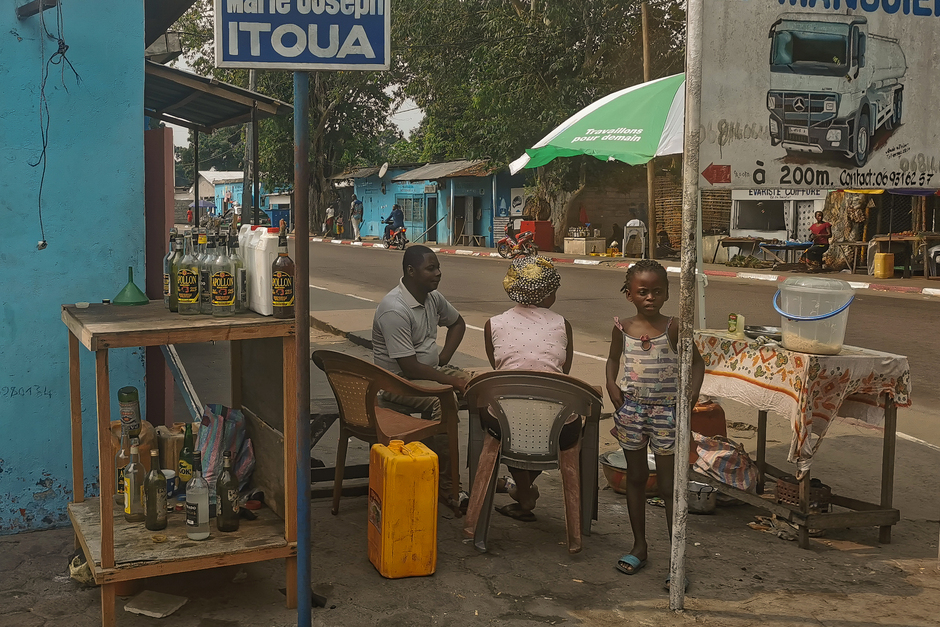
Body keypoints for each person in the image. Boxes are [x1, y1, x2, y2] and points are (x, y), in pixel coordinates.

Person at [605, 259, 704, 586]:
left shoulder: (674, 327)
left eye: (657, 292)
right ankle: (639, 546)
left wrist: (688, 401)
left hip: (667, 414)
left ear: (666, 294)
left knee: (667, 486)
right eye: (643, 292)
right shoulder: (622, 328)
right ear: (630, 294)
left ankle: (677, 560)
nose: (650, 297)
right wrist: (611, 384)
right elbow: (612, 360)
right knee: (634, 477)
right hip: (632, 412)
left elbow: (697, 364)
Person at [372, 245, 472, 509]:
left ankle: (483, 474)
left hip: (429, 372)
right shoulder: (394, 308)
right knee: (444, 402)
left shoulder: (433, 298)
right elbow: (410, 368)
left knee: (480, 388)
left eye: (438, 267)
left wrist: (444, 361)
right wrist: (452, 381)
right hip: (396, 382)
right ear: (410, 271)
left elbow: (457, 323)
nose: (438, 273)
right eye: (431, 268)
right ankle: (448, 486)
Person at [481, 256, 576, 523]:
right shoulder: (562, 324)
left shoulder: (493, 324)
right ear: (548, 292)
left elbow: (500, 369)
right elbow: (562, 373)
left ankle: (522, 491)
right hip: (556, 426)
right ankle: (524, 491)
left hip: (506, 422)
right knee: (540, 420)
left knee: (505, 418)